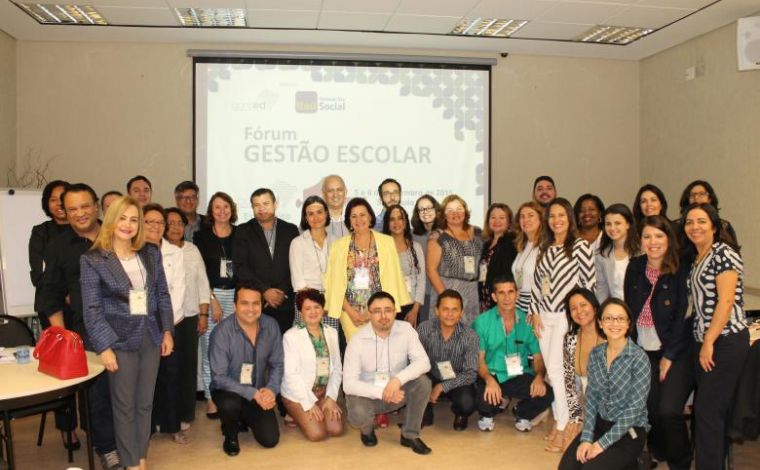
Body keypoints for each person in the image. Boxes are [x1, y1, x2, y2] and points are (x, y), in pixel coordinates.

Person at [81, 195, 174, 470]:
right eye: (122, 218)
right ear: (111, 220)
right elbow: (92, 309)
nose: (128, 224)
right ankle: (132, 463)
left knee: (144, 403)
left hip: (151, 335)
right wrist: (104, 347)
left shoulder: (150, 252)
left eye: (134, 219)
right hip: (118, 340)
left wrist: (167, 330)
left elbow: (162, 295)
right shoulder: (93, 259)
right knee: (124, 406)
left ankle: (141, 457)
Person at [39, 183, 120, 469]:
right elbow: (50, 293)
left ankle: (130, 442)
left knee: (126, 390)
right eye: (72, 209)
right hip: (87, 330)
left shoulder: (118, 235)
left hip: (128, 327)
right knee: (98, 394)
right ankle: (107, 448)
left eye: (85, 206)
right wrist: (63, 335)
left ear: (97, 206)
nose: (80, 213)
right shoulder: (58, 246)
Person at [683, 203, 749, 470]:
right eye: (689, 222)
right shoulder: (699, 256)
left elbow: (726, 301)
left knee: (707, 411)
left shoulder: (723, 253)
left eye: (701, 221)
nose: (694, 227)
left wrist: (709, 341)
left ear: (713, 225)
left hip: (725, 340)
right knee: (711, 413)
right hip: (705, 340)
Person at [624, 215, 693, 469]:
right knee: (651, 409)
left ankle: (681, 462)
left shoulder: (681, 268)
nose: (653, 242)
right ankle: (659, 451)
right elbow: (629, 309)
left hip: (676, 351)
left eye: (659, 236)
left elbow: (684, 316)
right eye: (647, 236)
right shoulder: (635, 266)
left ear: (669, 239)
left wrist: (669, 355)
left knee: (669, 411)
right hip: (643, 350)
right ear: (640, 240)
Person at [530, 197, 595, 449]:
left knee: (560, 372)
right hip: (544, 317)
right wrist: (535, 312)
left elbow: (588, 285)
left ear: (570, 218)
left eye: (561, 215)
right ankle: (561, 420)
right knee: (553, 372)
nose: (556, 220)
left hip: (566, 317)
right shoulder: (544, 247)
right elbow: (537, 284)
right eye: (552, 216)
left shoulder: (580, 246)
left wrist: (582, 317)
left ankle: (563, 428)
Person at [559, 299, 650, 470]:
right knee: (567, 467)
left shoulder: (639, 358)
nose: (614, 323)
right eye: (608, 318)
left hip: (629, 431)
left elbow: (635, 409)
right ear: (600, 323)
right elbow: (591, 398)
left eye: (620, 318)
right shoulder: (596, 354)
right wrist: (587, 438)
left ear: (628, 323)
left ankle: (633, 462)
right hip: (600, 426)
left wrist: (602, 444)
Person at [343, 291, 433, 455]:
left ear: (395, 311)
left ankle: (409, 434)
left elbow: (423, 362)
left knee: (423, 383)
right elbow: (349, 384)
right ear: (369, 314)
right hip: (368, 397)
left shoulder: (406, 330)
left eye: (388, 310)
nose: (383, 316)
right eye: (377, 311)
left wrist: (397, 380)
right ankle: (367, 430)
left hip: (397, 391)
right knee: (359, 413)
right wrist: (382, 392)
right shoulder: (357, 340)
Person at [209, 283, 283, 456]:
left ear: (262, 305)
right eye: (244, 303)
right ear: (235, 305)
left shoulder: (271, 326)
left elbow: (278, 364)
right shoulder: (221, 332)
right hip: (229, 391)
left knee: (270, 440)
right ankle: (230, 434)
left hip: (258, 391)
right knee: (229, 404)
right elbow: (219, 377)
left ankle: (243, 418)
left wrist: (271, 390)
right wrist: (252, 393)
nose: (251, 309)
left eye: (255, 303)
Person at [473, 276, 552, 433]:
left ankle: (521, 411)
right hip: (492, 374)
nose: (507, 297)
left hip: (517, 375)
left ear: (517, 294)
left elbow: (538, 358)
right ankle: (490, 411)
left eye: (510, 292)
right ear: (494, 297)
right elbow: (479, 360)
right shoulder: (481, 322)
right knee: (482, 401)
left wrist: (539, 377)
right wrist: (489, 380)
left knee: (547, 393)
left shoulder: (528, 321)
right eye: (501, 293)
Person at [325, 197, 410, 341]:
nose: (359, 220)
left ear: (370, 217)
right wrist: (351, 312)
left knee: (381, 349)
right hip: (350, 313)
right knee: (357, 350)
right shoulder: (338, 246)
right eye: (354, 216)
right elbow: (333, 283)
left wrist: (374, 312)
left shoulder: (387, 242)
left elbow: (393, 279)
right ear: (349, 221)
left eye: (362, 215)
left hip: (380, 311)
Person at [142, 203, 188, 445]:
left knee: (171, 376)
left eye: (160, 222)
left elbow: (178, 290)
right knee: (147, 378)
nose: (155, 226)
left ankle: (173, 426)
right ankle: (148, 427)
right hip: (142, 326)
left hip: (171, 324)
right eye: (149, 221)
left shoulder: (175, 253)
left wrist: (166, 325)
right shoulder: (133, 251)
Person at [164, 207, 211, 430]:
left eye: (180, 223)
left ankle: (185, 414)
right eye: (170, 223)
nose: (175, 227)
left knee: (187, 368)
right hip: (166, 319)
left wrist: (203, 314)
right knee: (168, 370)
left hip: (190, 316)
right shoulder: (157, 250)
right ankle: (166, 418)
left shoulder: (192, 250)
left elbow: (203, 283)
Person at [193, 191, 238, 418]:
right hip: (211, 295)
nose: (222, 211)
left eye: (226, 206)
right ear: (211, 211)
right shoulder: (201, 237)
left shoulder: (240, 234)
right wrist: (212, 300)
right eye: (217, 207)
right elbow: (199, 273)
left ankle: (229, 394)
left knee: (233, 349)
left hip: (236, 296)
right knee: (211, 348)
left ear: (232, 209)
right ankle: (211, 397)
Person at [233, 188, 299, 334]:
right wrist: (264, 291)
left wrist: (281, 293)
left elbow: (296, 266)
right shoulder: (243, 230)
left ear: (275, 204)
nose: (261, 208)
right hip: (255, 303)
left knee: (282, 346)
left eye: (266, 203)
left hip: (284, 303)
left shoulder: (290, 230)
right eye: (257, 205)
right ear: (252, 208)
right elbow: (240, 267)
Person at [281, 289, 344, 441]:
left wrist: (331, 397)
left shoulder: (331, 332)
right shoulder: (291, 336)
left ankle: (317, 407)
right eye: (307, 308)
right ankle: (293, 413)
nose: (313, 312)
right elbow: (291, 375)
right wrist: (309, 404)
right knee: (317, 434)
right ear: (300, 312)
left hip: (322, 391)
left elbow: (337, 368)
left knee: (335, 429)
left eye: (317, 307)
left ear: (323, 309)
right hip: (298, 394)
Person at [416, 289, 479, 431]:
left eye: (455, 309)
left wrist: (442, 387)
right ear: (437, 311)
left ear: (461, 313)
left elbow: (471, 373)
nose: (450, 314)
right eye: (445, 309)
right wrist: (426, 384)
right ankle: (425, 412)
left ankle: (460, 414)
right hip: (430, 374)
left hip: (457, 378)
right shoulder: (424, 329)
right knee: (417, 381)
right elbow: (414, 361)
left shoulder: (470, 336)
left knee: (467, 403)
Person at [426, 194, 483, 325]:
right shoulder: (437, 236)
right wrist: (446, 297)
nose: (455, 213)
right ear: (444, 214)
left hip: (473, 292)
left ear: (465, 211)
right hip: (447, 290)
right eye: (450, 210)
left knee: (470, 332)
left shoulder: (478, 232)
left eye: (459, 209)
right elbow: (431, 270)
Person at [560, 288, 604, 452]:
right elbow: (570, 384)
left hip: (609, 410)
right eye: (573, 308)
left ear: (594, 306)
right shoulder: (570, 339)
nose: (579, 311)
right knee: (568, 446)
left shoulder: (610, 335)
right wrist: (575, 418)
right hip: (585, 408)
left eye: (583, 305)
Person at [289, 195, 336, 327]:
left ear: (326, 213)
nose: (316, 217)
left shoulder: (336, 241)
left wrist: (330, 301)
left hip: (332, 301)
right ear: (305, 218)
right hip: (307, 301)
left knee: (330, 338)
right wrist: (317, 303)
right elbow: (298, 281)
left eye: (319, 212)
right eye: (311, 214)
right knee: (307, 338)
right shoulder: (298, 243)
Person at [29, 180, 70, 329]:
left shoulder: (84, 230)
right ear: (47, 204)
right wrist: (62, 294)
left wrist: (75, 292)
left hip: (81, 303)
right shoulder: (41, 232)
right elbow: (39, 272)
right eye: (53, 200)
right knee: (58, 343)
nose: (59, 203)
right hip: (49, 304)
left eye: (63, 198)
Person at [383, 204, 425, 327]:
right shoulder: (382, 248)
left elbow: (421, 280)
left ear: (405, 222)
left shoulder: (416, 247)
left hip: (410, 307)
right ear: (387, 223)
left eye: (400, 218)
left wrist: (415, 310)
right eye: (392, 219)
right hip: (387, 307)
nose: (396, 223)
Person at [677, 179, 738, 254]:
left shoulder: (724, 226)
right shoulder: (677, 226)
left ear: (710, 199)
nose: (696, 197)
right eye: (692, 195)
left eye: (701, 194)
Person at [595, 203, 638, 303]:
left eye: (617, 223)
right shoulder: (601, 255)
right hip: (615, 308)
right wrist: (602, 309)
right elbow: (602, 288)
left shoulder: (642, 252)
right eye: (608, 224)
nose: (612, 228)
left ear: (628, 224)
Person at [479, 202, 517, 312]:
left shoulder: (511, 243)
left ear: (509, 222)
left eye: (502, 218)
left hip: (500, 301)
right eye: (493, 217)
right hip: (485, 300)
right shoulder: (487, 244)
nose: (497, 221)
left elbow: (507, 275)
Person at [411, 194, 441, 324]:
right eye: (421, 209)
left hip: (441, 289)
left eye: (429, 208)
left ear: (436, 210)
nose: (425, 212)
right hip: (421, 294)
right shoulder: (412, 236)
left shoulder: (445, 233)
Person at [512, 201, 543, 312]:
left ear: (540, 219)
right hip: (519, 304)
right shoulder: (522, 246)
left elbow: (547, 282)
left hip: (536, 306)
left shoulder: (545, 246)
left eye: (530, 215)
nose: (526, 220)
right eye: (522, 217)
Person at [322, 174, 348, 239]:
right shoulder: (314, 220)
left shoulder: (356, 219)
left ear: (346, 192)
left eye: (339, 190)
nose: (335, 195)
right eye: (330, 191)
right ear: (323, 193)